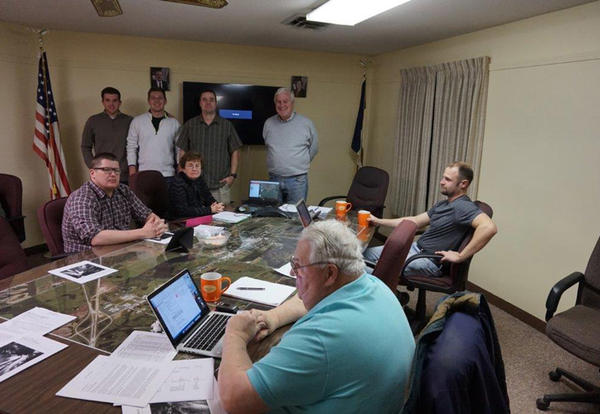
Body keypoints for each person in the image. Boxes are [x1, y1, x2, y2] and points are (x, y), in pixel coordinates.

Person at [219, 220, 415, 414]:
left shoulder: (322, 337)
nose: (292, 272)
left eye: (298, 267)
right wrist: (273, 317)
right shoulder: (373, 285)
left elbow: (234, 400)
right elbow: (307, 299)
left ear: (330, 273)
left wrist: (235, 333)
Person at [364, 161, 498, 277]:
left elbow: (489, 227)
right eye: (443, 177)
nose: (441, 182)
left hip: (429, 261)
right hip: (415, 249)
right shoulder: (444, 204)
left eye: (448, 179)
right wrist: (378, 221)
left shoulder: (463, 207)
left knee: (362, 268)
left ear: (463, 184)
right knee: (365, 255)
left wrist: (460, 256)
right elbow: (415, 221)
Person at [62, 153, 168, 254]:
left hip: (121, 252)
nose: (113, 174)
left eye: (116, 170)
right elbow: (95, 238)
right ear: (92, 173)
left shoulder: (123, 191)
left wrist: (157, 226)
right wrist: (143, 233)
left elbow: (148, 215)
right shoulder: (82, 197)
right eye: (106, 170)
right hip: (85, 258)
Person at [176, 89, 242, 205]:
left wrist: (232, 176)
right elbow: (183, 151)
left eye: (211, 100)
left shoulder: (226, 125)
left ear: (216, 103)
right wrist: (182, 175)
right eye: (204, 100)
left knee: (222, 222)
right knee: (196, 220)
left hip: (220, 187)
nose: (208, 102)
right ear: (200, 103)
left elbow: (235, 151)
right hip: (194, 186)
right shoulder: (190, 125)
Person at [262, 87, 318, 204]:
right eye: (278, 101)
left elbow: (314, 148)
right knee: (273, 216)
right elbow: (269, 146)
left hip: (297, 181)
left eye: (285, 101)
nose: (282, 105)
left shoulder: (306, 124)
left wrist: (299, 162)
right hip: (274, 179)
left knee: (295, 217)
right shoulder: (268, 123)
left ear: (292, 103)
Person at [126, 87, 180, 186]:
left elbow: (179, 149)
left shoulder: (174, 123)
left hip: (168, 175)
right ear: (148, 101)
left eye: (160, 98)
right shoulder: (137, 121)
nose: (157, 100)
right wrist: (132, 172)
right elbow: (131, 147)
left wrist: (180, 171)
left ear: (165, 101)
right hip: (144, 175)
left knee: (167, 202)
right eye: (153, 98)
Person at [81, 87, 132, 184]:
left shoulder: (130, 121)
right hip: (102, 174)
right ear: (103, 102)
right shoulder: (93, 121)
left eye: (115, 100)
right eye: (107, 100)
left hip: (124, 174)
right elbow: (85, 146)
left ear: (120, 102)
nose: (111, 104)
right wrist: (93, 166)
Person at [168, 151, 225, 219]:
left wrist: (218, 206)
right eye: (190, 165)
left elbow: (209, 199)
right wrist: (210, 210)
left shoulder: (199, 180)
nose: (194, 169)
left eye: (197, 165)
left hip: (196, 218)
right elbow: (183, 211)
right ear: (183, 169)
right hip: (179, 221)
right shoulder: (177, 183)